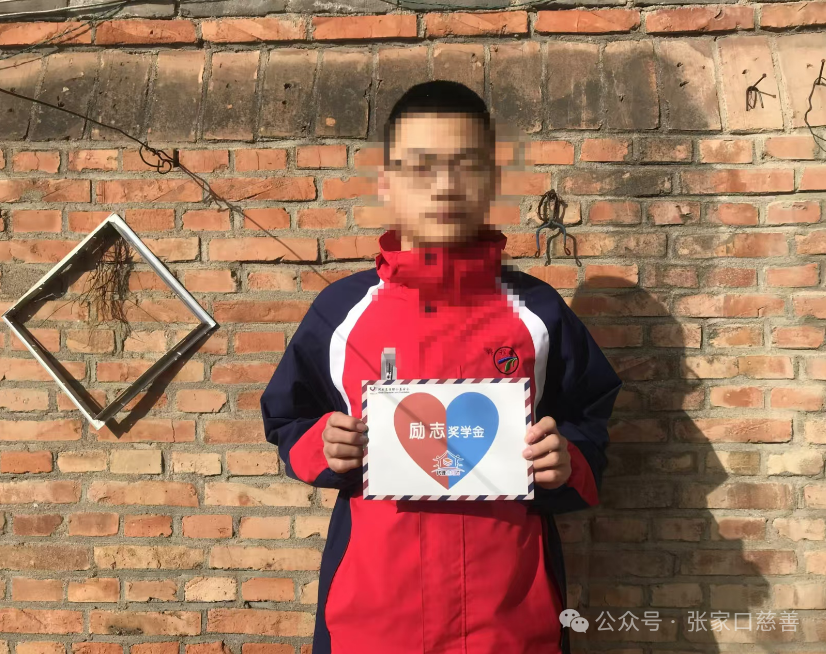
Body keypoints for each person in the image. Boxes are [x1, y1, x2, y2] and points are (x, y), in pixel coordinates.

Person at [260, 80, 623, 654]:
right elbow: (288, 419)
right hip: (372, 626)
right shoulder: (341, 313)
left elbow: (589, 420)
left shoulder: (540, 313)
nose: (445, 186)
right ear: (387, 182)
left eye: (466, 165)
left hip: (512, 627)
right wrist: (322, 446)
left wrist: (568, 459)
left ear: (493, 181)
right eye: (422, 166)